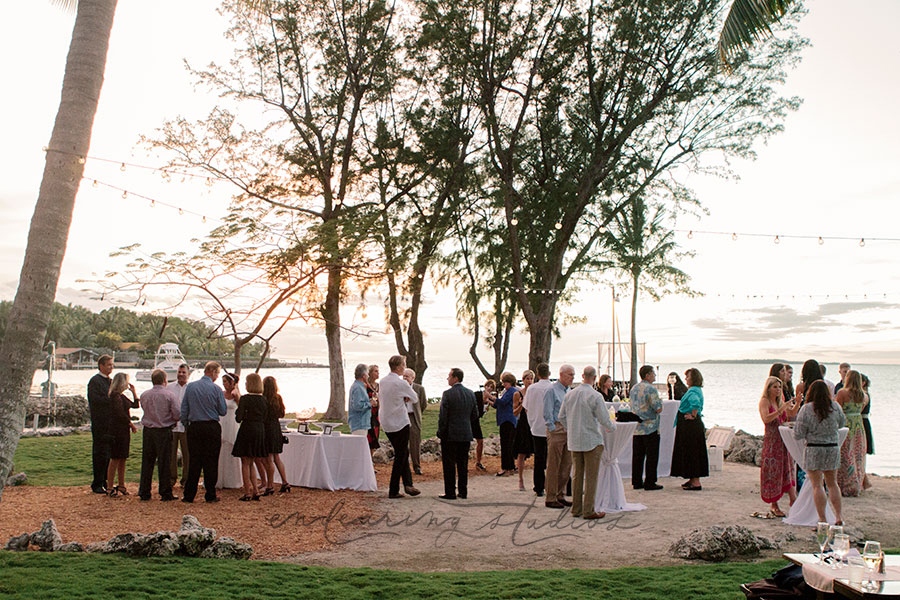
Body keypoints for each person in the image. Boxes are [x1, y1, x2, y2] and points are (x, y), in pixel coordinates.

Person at [558, 365, 615, 519]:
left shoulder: (570, 395)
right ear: (595, 378)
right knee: (591, 476)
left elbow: (561, 416)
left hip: (575, 439)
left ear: (582, 376)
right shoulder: (595, 396)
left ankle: (576, 508)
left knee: (577, 475)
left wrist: (570, 428)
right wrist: (612, 427)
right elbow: (604, 418)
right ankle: (588, 509)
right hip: (592, 439)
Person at [793, 380, 846, 525]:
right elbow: (842, 423)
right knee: (832, 483)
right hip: (832, 447)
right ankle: (839, 516)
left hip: (814, 448)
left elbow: (798, 433)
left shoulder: (807, 409)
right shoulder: (835, 407)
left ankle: (822, 519)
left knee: (817, 485)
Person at [180, 361, 227, 503]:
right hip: (211, 427)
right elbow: (223, 411)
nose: (217, 376)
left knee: (194, 460)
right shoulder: (216, 389)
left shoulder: (191, 387)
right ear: (212, 372)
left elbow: (184, 409)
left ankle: (189, 494)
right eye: (217, 373)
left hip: (194, 427)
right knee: (211, 461)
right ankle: (210, 493)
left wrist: (186, 423)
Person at [379, 355, 421, 498]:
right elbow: (415, 398)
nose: (405, 366)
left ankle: (408, 485)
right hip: (399, 422)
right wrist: (407, 392)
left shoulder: (383, 381)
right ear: (398, 367)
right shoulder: (401, 383)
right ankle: (394, 490)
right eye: (404, 364)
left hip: (386, 421)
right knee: (401, 455)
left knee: (403, 452)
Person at [137, 369, 180, 501]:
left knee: (147, 461)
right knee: (164, 462)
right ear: (164, 380)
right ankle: (165, 491)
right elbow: (177, 414)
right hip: (164, 430)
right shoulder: (169, 395)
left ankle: (144, 491)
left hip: (148, 430)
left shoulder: (144, 395)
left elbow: (143, 408)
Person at [436, 367, 479, 499]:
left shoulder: (448, 394)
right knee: (463, 463)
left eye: (449, 376)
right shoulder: (471, 394)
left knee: (449, 464)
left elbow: (443, 416)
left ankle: (450, 492)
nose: (447, 378)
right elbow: (475, 414)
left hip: (450, 434)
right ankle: (463, 491)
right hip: (465, 432)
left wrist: (441, 432)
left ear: (455, 378)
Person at [758, 376, 797, 516]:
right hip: (772, 441)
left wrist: (797, 402)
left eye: (780, 387)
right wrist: (781, 410)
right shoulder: (765, 401)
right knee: (773, 472)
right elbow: (766, 419)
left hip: (784, 440)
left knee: (787, 469)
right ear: (768, 388)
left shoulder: (780, 401)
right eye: (775, 387)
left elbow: (791, 414)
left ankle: (793, 500)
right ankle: (774, 505)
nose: (778, 390)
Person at [670, 368, 709, 491]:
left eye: (688, 377)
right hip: (691, 425)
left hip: (690, 425)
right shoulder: (696, 390)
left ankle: (696, 481)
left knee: (692, 451)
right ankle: (692, 479)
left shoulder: (693, 391)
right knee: (691, 450)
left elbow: (695, 403)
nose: (685, 379)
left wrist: (693, 414)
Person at [232, 373, 269, 501]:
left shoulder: (245, 399)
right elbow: (265, 416)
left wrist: (238, 406)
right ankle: (256, 490)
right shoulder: (263, 399)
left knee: (245, 462)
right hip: (259, 430)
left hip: (247, 429)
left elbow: (239, 418)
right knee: (252, 461)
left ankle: (247, 491)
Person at [544, 364, 575, 508]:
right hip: (556, 428)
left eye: (573, 375)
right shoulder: (552, 390)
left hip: (568, 429)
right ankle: (550, 496)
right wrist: (552, 428)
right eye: (570, 375)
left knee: (566, 464)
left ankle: (560, 494)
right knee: (554, 464)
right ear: (562, 375)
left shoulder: (568, 390)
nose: (572, 378)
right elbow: (547, 411)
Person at [629, 365, 663, 491]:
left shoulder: (634, 388)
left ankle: (636, 481)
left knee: (638, 455)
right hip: (650, 426)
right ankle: (650, 481)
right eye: (653, 373)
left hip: (637, 427)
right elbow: (657, 408)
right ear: (648, 375)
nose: (654, 375)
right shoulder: (651, 389)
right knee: (652, 455)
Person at [523, 363, 554, 497]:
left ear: (538, 374)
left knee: (539, 458)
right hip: (551, 427)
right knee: (553, 458)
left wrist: (532, 419)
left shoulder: (532, 389)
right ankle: (552, 485)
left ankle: (539, 486)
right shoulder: (553, 388)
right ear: (549, 374)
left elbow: (526, 407)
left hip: (536, 426)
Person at [106, 372, 139, 497]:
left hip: (123, 431)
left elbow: (136, 405)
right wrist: (131, 424)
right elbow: (119, 413)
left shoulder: (121, 396)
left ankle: (121, 484)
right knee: (115, 458)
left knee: (122, 458)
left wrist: (134, 392)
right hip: (117, 430)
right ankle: (109, 486)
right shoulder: (114, 396)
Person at [836, 370, 868, 497]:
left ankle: (845, 484)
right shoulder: (864, 395)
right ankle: (857, 483)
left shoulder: (842, 392)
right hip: (859, 425)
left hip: (847, 425)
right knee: (857, 454)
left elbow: (838, 409)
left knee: (845, 454)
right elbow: (861, 409)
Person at [794, 359, 823, 492]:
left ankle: (803, 485)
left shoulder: (801, 386)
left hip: (805, 419)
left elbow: (798, 403)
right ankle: (820, 486)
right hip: (820, 419)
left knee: (803, 451)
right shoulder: (823, 386)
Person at [87, 354, 114, 494]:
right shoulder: (95, 381)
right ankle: (97, 482)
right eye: (109, 364)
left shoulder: (110, 381)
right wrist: (110, 398)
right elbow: (95, 400)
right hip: (100, 423)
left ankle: (105, 481)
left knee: (108, 453)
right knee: (99, 453)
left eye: (112, 364)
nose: (111, 367)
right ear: (101, 366)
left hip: (109, 423)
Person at [263, 376, 290, 494]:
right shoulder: (278, 398)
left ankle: (270, 485)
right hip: (276, 427)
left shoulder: (263, 399)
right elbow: (282, 414)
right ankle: (285, 482)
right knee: (277, 458)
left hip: (266, 428)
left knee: (269, 459)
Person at [217, 372, 243, 490]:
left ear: (232, 382)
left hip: (232, 423)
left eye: (225, 382)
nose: (224, 384)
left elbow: (240, 407)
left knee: (231, 447)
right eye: (223, 382)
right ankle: (219, 479)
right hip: (222, 421)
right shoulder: (221, 394)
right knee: (220, 448)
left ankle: (233, 480)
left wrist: (236, 393)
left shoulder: (236, 394)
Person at [167, 363, 190, 490]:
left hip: (186, 426)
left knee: (187, 454)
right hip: (172, 425)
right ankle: (171, 479)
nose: (181, 374)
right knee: (171, 453)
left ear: (188, 373)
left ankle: (186, 479)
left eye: (183, 372)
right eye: (179, 372)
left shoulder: (191, 388)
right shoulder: (169, 387)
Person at [513, 370, 535, 492]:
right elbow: (514, 412)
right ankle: (520, 479)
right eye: (527, 378)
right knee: (521, 453)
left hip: (534, 423)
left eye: (531, 378)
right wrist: (522, 404)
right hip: (523, 424)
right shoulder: (518, 394)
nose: (529, 381)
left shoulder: (535, 393)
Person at [493, 372, 518, 477]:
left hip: (507, 420)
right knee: (508, 444)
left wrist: (490, 396)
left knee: (506, 444)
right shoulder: (510, 391)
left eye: (504, 382)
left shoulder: (511, 391)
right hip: (508, 419)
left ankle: (506, 467)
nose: (503, 384)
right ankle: (511, 466)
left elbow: (503, 402)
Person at [404, 368, 427, 476]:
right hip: (402, 416)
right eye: (403, 376)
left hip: (413, 417)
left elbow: (423, 404)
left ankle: (417, 466)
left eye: (407, 376)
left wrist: (417, 413)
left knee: (415, 443)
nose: (405, 378)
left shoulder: (419, 389)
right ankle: (404, 467)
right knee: (403, 443)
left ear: (412, 378)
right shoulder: (399, 388)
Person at [474, 380, 493, 471]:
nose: (489, 388)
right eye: (488, 386)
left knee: (480, 441)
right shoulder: (477, 394)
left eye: (491, 387)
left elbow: (481, 414)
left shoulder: (489, 401)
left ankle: (478, 462)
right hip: (469, 420)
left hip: (476, 421)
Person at [348, 364, 373, 436]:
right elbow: (357, 406)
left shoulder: (359, 386)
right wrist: (370, 404)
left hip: (362, 423)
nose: (368, 376)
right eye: (368, 374)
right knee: (358, 445)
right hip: (359, 423)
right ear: (364, 375)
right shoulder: (358, 387)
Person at [860, 374, 873, 490]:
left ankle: (864, 479)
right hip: (862, 421)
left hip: (862, 422)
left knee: (862, 451)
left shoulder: (864, 395)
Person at [366, 364, 381, 457]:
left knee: (374, 437)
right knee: (368, 438)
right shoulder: (365, 385)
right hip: (367, 414)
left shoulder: (379, 386)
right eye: (375, 371)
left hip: (376, 415)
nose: (377, 373)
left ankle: (371, 462)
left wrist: (378, 403)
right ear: (370, 373)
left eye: (378, 371)